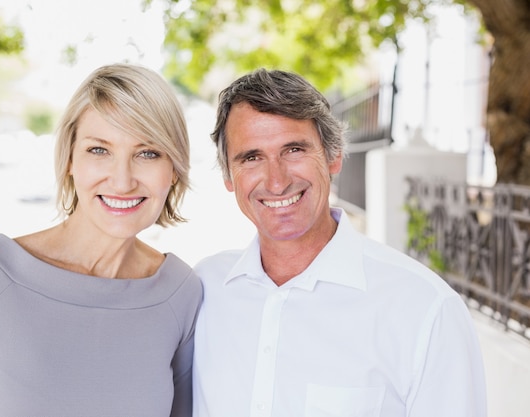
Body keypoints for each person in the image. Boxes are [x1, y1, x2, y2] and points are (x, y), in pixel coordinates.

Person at [192, 68, 487, 417]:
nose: (276, 181)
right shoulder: (203, 290)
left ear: (333, 157)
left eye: (294, 149)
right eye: (252, 157)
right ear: (228, 175)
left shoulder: (425, 309)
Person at [0, 63, 202, 417]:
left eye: (148, 153)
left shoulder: (181, 292)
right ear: (69, 159)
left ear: (173, 170)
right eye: (99, 150)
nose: (123, 181)